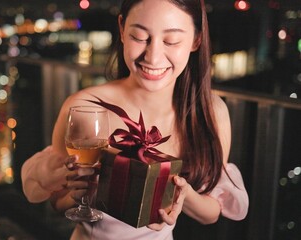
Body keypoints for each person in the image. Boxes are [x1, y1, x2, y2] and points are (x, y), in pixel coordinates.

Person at [21, 0, 249, 239]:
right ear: (122, 29)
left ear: (196, 40)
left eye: (171, 41)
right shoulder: (85, 109)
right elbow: (58, 203)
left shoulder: (209, 112)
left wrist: (181, 196)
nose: (153, 57)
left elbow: (210, 213)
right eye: (140, 37)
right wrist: (78, 197)